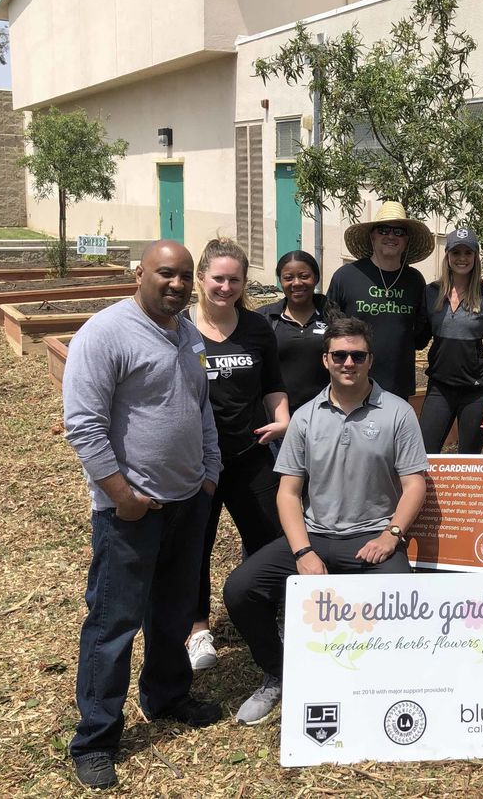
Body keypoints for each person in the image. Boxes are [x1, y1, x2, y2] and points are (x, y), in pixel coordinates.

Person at [62, 240, 223, 790]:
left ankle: (167, 696)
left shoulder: (190, 335)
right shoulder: (105, 334)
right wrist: (120, 494)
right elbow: (83, 423)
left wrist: (210, 472)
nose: (176, 284)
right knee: (114, 623)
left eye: (184, 276)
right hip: (130, 510)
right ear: (140, 274)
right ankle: (97, 737)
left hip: (187, 501)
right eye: (165, 274)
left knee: (173, 612)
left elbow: (201, 405)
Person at [222, 317, 428, 726]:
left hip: (373, 537)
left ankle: (375, 683)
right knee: (241, 589)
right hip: (315, 535)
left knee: (403, 601)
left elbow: (415, 484)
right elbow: (288, 493)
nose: (348, 362)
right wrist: (302, 551)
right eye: (340, 355)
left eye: (357, 355)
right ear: (326, 359)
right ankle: (279, 674)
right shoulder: (304, 417)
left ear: (370, 359)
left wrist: (391, 536)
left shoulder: (398, 413)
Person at [181, 238, 289, 672]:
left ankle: (272, 619)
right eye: (218, 278)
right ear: (202, 278)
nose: (225, 287)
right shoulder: (180, 327)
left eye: (235, 280)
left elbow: (273, 384)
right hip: (196, 461)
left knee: (270, 542)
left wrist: (282, 418)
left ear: (245, 283)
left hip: (251, 454)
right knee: (195, 547)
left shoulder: (257, 327)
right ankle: (197, 629)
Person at [326, 201, 432, 399]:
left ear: (407, 240)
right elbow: (330, 328)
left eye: (399, 231)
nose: (391, 236)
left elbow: (420, 335)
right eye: (383, 230)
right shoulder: (346, 276)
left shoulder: (415, 280)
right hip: (352, 384)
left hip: (397, 386)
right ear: (372, 235)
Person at [421, 227, 483, 453]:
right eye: (456, 252)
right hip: (440, 387)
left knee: (469, 459)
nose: (462, 258)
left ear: (475, 257)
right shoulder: (431, 293)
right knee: (424, 453)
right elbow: (417, 335)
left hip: (475, 391)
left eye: (468, 253)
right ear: (447, 256)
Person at [258, 250, 339, 414]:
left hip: (325, 416)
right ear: (280, 281)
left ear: (316, 278)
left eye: (304, 276)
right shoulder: (264, 318)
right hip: (278, 419)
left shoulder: (333, 318)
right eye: (288, 278)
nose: (296, 283)